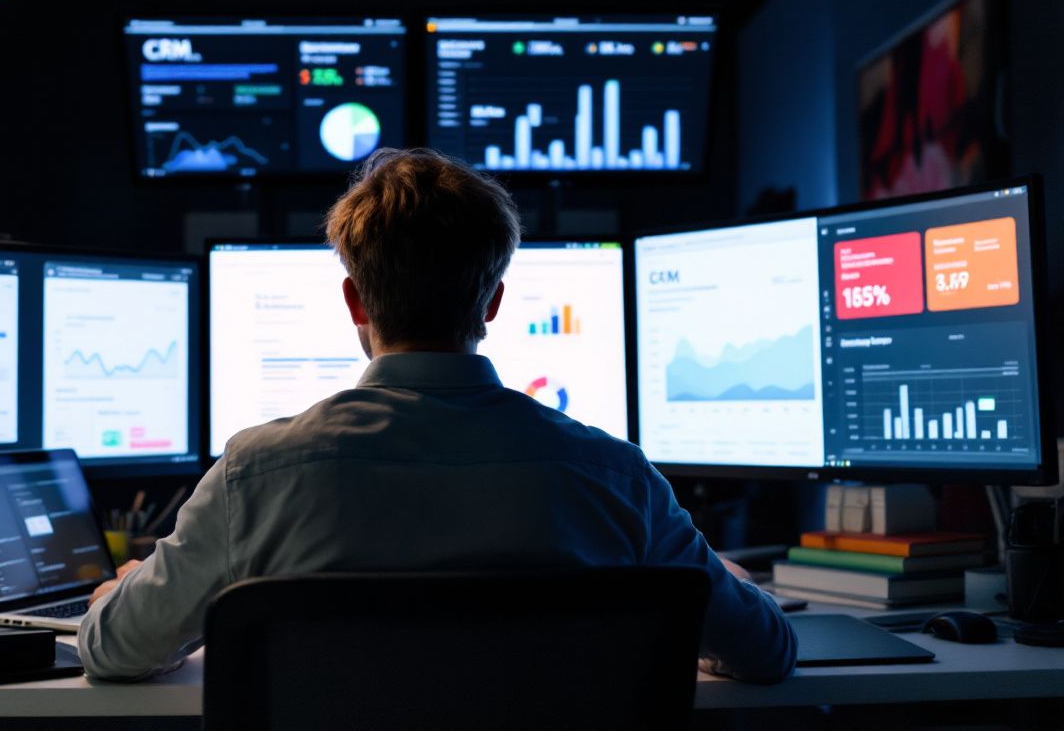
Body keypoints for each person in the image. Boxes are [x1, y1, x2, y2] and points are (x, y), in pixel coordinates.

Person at [78, 148, 797, 684]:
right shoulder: (614, 476)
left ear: (355, 301)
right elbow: (768, 652)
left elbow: (115, 652)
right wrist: (717, 584)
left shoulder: (255, 475)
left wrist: (122, 596)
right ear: (493, 303)